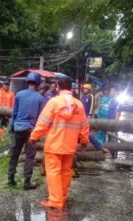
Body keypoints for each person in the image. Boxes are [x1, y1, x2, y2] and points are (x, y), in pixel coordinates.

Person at [29, 77, 89, 210]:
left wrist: (33, 136)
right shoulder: (78, 104)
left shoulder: (53, 102)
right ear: (71, 87)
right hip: (70, 146)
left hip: (54, 145)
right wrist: (84, 141)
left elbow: (43, 122)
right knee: (66, 171)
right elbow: (84, 125)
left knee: (53, 172)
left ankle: (56, 201)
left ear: (59, 87)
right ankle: (62, 196)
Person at [8, 72, 44, 190]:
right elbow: (40, 117)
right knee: (29, 157)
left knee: (14, 155)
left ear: (27, 82)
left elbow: (14, 113)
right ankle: (27, 182)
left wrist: (12, 127)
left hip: (18, 128)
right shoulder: (40, 98)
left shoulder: (19, 94)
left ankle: (10, 179)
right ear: (38, 84)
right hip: (31, 131)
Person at [97, 87, 121, 158]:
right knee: (104, 136)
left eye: (113, 91)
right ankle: (105, 151)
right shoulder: (107, 100)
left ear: (116, 92)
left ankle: (112, 153)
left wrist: (116, 121)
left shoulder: (117, 101)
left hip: (112, 122)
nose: (111, 93)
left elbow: (118, 112)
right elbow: (103, 109)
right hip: (105, 121)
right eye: (111, 91)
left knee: (112, 138)